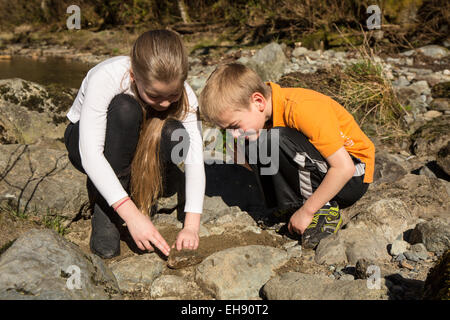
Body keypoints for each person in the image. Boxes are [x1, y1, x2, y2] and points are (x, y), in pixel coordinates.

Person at [199, 63, 375, 249]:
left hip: (352, 176)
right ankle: (289, 205)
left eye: (234, 126)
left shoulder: (302, 108)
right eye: (226, 129)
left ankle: (322, 208)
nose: (233, 134)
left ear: (258, 101)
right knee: (254, 142)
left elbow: (344, 168)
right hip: (324, 168)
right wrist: (240, 148)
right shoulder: (260, 114)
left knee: (276, 139)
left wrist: (307, 211)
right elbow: (244, 156)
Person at [64, 30, 205, 259]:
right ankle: (106, 211)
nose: (165, 103)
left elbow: (195, 161)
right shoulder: (107, 76)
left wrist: (191, 225)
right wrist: (131, 215)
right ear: (133, 76)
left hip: (139, 142)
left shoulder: (187, 95)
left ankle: (145, 185)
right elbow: (91, 154)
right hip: (86, 142)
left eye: (173, 94)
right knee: (125, 109)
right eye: (154, 96)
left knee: (175, 133)